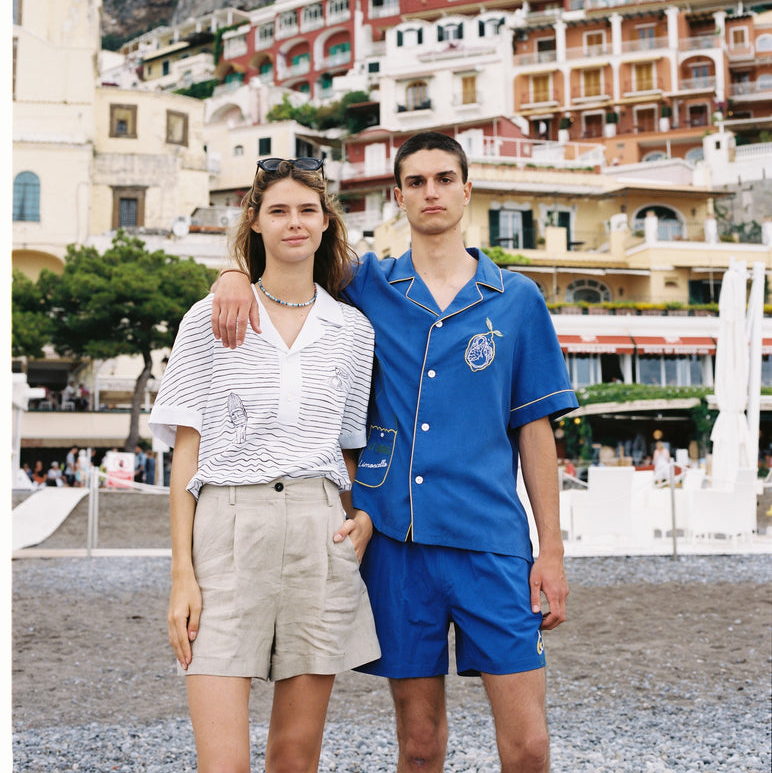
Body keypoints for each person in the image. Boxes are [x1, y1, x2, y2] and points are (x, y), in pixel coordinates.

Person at [212, 133, 578, 773]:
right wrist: (233, 273)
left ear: (467, 189)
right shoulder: (368, 285)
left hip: (492, 540)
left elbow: (535, 428)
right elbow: (291, 253)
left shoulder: (516, 300)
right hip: (396, 545)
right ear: (398, 195)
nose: (431, 192)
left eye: (444, 179)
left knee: (529, 747)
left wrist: (550, 548)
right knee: (417, 743)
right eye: (416, 182)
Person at [149, 157, 380, 773]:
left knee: (295, 757)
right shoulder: (210, 316)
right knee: (222, 763)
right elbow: (186, 454)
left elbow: (350, 447)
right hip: (226, 526)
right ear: (253, 222)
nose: (294, 223)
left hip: (318, 528)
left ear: (327, 222)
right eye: (278, 210)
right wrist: (182, 576)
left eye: (308, 210)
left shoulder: (354, 331)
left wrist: (363, 517)